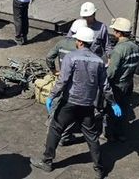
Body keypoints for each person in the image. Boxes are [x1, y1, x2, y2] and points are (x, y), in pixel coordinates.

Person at [31, 26, 119, 179]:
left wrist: (52, 96)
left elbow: (62, 80)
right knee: (92, 137)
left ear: (79, 42)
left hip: (69, 102)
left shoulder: (71, 57)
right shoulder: (98, 61)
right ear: (91, 43)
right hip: (87, 105)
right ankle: (99, 168)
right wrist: (113, 103)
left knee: (55, 129)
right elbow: (104, 86)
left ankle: (47, 162)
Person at [45, 18, 87, 146]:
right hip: (76, 82)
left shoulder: (61, 43)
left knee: (58, 102)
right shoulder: (82, 47)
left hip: (62, 78)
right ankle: (65, 136)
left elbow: (49, 57)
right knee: (73, 109)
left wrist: (54, 70)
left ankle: (52, 124)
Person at [105, 17, 139, 142]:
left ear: (118, 32)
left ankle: (109, 134)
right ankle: (121, 134)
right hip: (129, 83)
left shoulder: (119, 50)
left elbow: (111, 72)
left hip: (117, 85)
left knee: (111, 110)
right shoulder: (135, 47)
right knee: (124, 109)